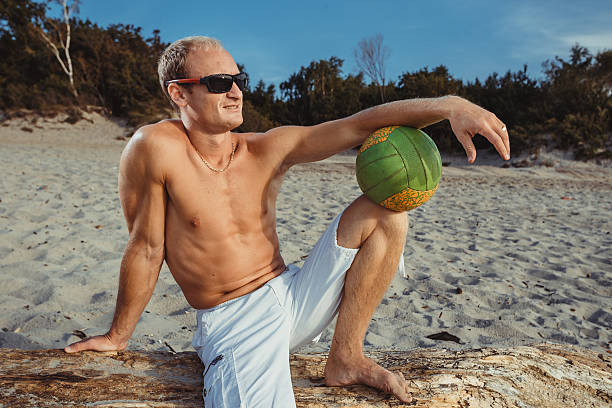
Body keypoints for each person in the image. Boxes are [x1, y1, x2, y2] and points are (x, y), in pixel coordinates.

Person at [64, 36, 510, 406]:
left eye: (240, 79)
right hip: (234, 319)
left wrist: (451, 104)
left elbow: (359, 125)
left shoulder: (265, 149)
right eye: (220, 82)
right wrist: (118, 335)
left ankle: (345, 357)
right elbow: (146, 247)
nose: (236, 91)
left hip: (294, 292)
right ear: (178, 92)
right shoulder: (155, 146)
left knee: (386, 212)